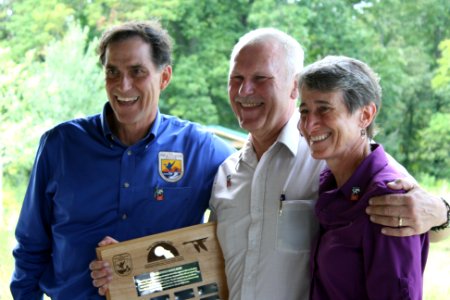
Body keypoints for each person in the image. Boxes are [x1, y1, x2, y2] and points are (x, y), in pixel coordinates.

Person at [91, 27, 449, 299]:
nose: (245, 92)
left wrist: (441, 210)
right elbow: (206, 264)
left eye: (260, 79)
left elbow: (412, 211)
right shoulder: (226, 171)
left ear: (295, 88)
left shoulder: (332, 155)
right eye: (237, 80)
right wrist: (126, 270)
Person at [10, 20, 235, 300]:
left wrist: (138, 275)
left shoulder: (201, 149)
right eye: (112, 72)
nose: (123, 85)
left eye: (137, 72)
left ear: (164, 77)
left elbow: (233, 239)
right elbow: (31, 248)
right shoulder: (60, 145)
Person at [298, 55, 429, 299]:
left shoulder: (386, 196)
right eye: (305, 111)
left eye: (324, 109)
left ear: (365, 115)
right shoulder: (328, 182)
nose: (309, 124)